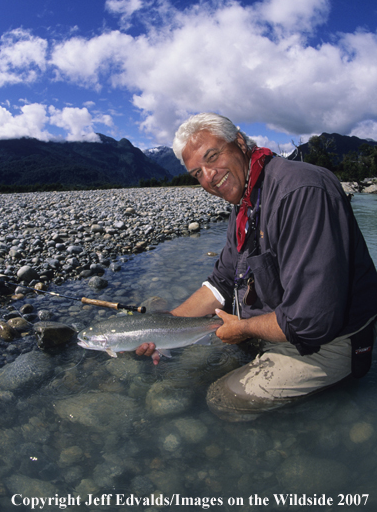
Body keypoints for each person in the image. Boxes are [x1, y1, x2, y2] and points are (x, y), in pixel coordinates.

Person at [136, 112, 377, 421]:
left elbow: (312, 321)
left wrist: (245, 328)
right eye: (197, 173)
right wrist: (165, 325)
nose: (209, 177)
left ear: (239, 142)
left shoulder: (300, 191)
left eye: (213, 157)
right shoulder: (247, 201)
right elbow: (222, 281)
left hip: (329, 340)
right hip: (281, 324)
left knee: (222, 400)